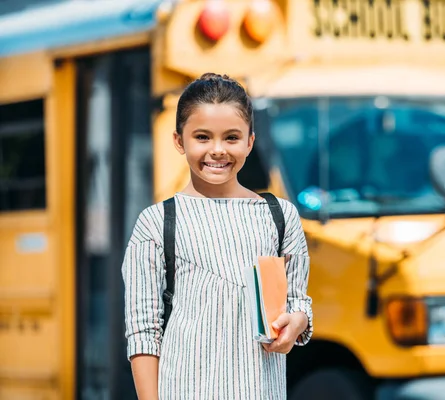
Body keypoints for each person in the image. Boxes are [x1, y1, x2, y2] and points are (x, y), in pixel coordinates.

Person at [121, 73, 313, 399]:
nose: (218, 150)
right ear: (179, 141)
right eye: (202, 137)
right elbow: (144, 332)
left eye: (232, 137)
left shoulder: (280, 216)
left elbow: (297, 303)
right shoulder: (156, 223)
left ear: (250, 142)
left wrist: (297, 322)